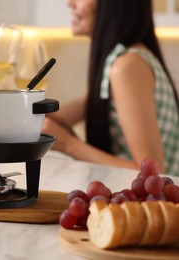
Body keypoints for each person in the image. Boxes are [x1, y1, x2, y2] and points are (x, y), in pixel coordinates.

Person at [42, 0, 179, 175]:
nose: (70, 2)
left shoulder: (127, 66)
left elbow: (151, 174)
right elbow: (57, 118)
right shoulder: (122, 60)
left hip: (158, 201)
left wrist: (69, 144)